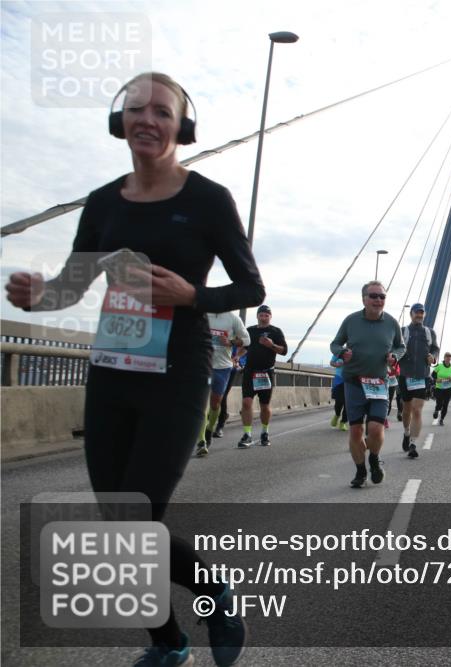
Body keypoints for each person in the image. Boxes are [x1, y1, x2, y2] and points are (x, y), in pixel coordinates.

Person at [4, 71, 263, 667]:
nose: (148, 119)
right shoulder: (102, 203)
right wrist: (33, 295)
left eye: (162, 111)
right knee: (116, 523)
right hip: (113, 369)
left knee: (134, 515)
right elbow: (69, 288)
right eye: (136, 108)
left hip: (177, 369)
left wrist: (193, 295)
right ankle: (168, 642)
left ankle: (214, 597)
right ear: (120, 120)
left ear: (182, 127)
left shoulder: (208, 200)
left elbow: (251, 285)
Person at [329, 281, 405, 488]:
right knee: (355, 432)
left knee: (375, 429)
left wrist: (394, 357)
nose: (378, 300)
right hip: (354, 382)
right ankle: (361, 470)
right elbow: (335, 343)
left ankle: (374, 457)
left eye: (382, 297)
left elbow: (401, 346)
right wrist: (341, 352)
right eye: (373, 296)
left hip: (379, 383)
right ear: (364, 299)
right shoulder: (351, 321)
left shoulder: (392, 323)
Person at [196, 311, 250, 457]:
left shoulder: (233, 318)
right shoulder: (204, 314)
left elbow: (247, 340)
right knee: (201, 403)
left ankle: (209, 429)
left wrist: (231, 342)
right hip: (203, 364)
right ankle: (201, 441)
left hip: (223, 367)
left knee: (215, 404)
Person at [237, 305, 287, 448]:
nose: (264, 317)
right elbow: (244, 347)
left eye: (266, 315)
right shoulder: (250, 330)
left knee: (264, 405)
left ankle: (265, 432)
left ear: (270, 317)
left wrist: (271, 345)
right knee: (246, 402)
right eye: (261, 315)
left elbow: (284, 351)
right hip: (250, 371)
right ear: (257, 316)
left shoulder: (275, 331)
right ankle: (247, 434)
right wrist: (236, 357)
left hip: (266, 372)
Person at [398, 303, 439, 458]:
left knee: (417, 410)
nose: (419, 315)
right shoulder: (403, 331)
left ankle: (413, 444)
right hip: (405, 375)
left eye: (422, 313)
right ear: (411, 314)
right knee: (406, 409)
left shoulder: (429, 332)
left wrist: (433, 357)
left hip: (422, 376)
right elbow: (394, 347)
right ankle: (407, 433)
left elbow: (435, 348)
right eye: (417, 313)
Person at [432, 353, 451, 426]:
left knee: (445, 405)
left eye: (449, 359)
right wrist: (436, 379)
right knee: (439, 402)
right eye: (447, 358)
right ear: (444, 358)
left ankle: (441, 419)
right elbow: (433, 374)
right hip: (439, 387)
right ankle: (437, 410)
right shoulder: (439, 366)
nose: (448, 360)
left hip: (448, 388)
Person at [329, 356, 347, 430]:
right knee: (339, 402)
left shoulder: (357, 351)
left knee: (348, 404)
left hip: (351, 380)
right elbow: (331, 362)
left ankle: (343, 422)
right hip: (339, 379)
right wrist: (337, 365)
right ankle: (337, 415)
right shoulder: (340, 351)